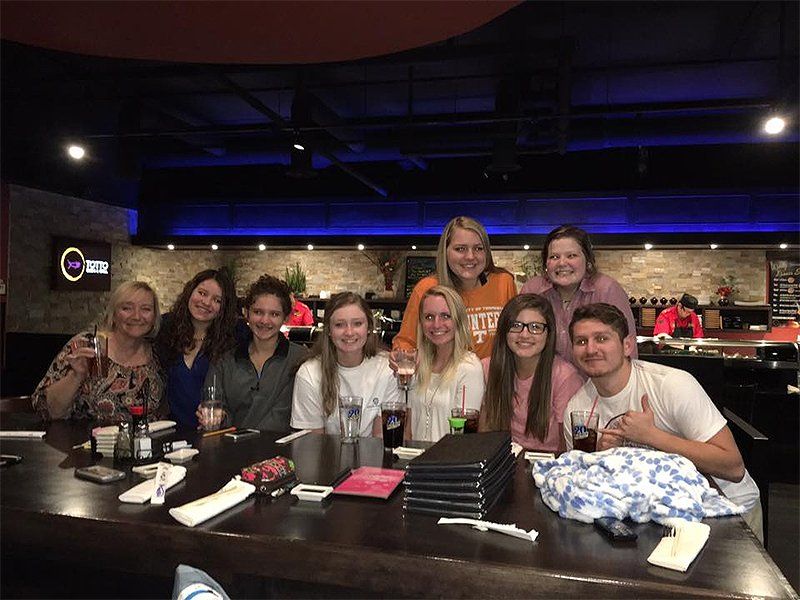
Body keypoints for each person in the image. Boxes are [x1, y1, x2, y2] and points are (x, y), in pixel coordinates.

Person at [564, 303, 762, 541]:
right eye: (581, 341)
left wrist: (652, 436)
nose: (591, 349)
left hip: (729, 512)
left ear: (627, 345)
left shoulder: (672, 385)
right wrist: (598, 458)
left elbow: (732, 467)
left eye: (602, 338)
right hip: (653, 519)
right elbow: (582, 479)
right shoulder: (577, 409)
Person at [32, 281, 165, 422]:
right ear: (113, 315)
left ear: (154, 317)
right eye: (127, 308)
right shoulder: (88, 344)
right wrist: (76, 376)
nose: (136, 316)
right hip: (85, 441)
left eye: (146, 309)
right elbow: (50, 411)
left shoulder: (159, 352)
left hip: (143, 441)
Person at [393, 216, 516, 360]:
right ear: (445, 252)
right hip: (445, 380)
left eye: (478, 248)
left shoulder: (503, 283)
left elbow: (516, 337)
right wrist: (401, 358)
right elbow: (406, 343)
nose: (470, 256)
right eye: (460, 249)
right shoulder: (427, 288)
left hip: (496, 379)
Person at [521, 224, 637, 367]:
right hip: (545, 386)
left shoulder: (607, 289)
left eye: (571, 256)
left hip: (596, 386)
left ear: (587, 261)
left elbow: (628, 352)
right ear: (546, 263)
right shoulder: (532, 290)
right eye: (554, 257)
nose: (562, 263)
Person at [480, 294, 585, 452]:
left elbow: (569, 447)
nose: (524, 335)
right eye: (516, 325)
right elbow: (483, 437)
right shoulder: (487, 368)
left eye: (535, 327)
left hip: (550, 465)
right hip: (503, 463)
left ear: (548, 334)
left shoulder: (564, 376)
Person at [202, 275, 306, 431]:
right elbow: (215, 407)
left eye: (274, 314)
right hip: (234, 451)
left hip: (284, 452)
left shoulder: (302, 359)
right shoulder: (224, 361)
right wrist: (217, 418)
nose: (265, 320)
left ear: (286, 317)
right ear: (246, 313)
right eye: (258, 312)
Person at [291, 292, 398, 436]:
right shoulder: (309, 373)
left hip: (372, 456)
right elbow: (314, 444)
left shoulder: (388, 369)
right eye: (340, 325)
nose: (349, 332)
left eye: (357, 324)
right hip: (326, 456)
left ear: (369, 328)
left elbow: (380, 441)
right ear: (329, 331)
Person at [155, 269, 239, 429]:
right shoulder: (164, 327)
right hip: (169, 433)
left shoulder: (235, 337)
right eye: (202, 293)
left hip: (213, 434)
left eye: (217, 300)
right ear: (190, 291)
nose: (206, 302)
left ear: (224, 308)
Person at [407, 286, 484, 442]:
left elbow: (465, 437)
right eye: (429, 317)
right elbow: (408, 426)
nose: (436, 324)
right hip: (414, 459)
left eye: (445, 316)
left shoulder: (469, 368)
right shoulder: (418, 364)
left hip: (448, 460)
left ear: (458, 320)